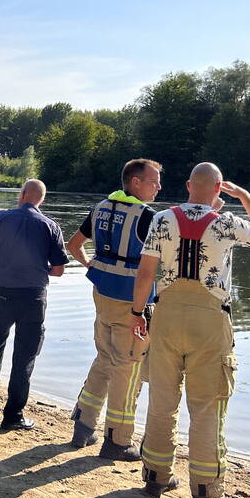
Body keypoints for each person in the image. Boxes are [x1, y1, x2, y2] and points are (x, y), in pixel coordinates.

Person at [131, 163, 250, 498]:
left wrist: (137, 314)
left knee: (163, 400)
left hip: (166, 316)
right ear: (218, 188)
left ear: (187, 185)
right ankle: (205, 490)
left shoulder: (162, 219)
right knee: (207, 406)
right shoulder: (226, 223)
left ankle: (155, 475)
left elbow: (146, 272)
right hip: (210, 322)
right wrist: (243, 195)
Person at [66, 159, 163, 461]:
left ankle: (83, 426)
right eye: (153, 181)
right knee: (128, 367)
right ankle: (118, 441)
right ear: (135, 182)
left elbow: (73, 245)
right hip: (132, 302)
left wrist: (91, 264)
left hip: (102, 294)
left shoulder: (100, 208)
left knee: (105, 358)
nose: (158, 187)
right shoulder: (148, 217)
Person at [0, 179, 68, 430]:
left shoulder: (0, 218)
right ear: (42, 200)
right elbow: (58, 270)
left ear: (23, 194)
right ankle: (13, 415)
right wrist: (40, 267)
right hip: (33, 297)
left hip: (1, 294)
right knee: (24, 355)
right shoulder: (51, 226)